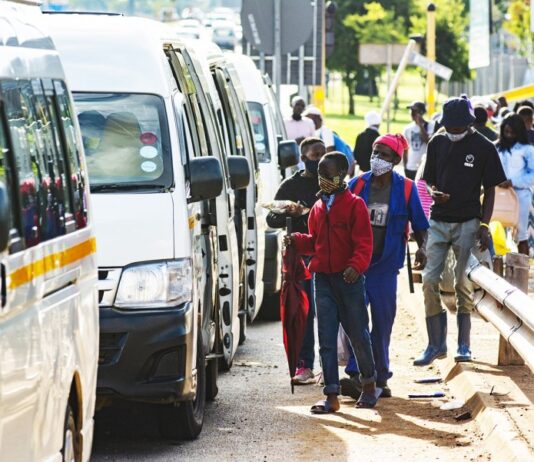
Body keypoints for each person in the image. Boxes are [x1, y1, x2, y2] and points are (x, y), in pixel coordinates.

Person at [416, 95, 506, 366]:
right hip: (439, 220)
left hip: (468, 221)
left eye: (458, 127)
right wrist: (434, 193)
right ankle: (435, 344)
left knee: (462, 283)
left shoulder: (484, 147)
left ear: (469, 123)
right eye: (450, 127)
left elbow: (490, 190)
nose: (453, 132)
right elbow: (428, 179)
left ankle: (464, 344)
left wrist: (483, 224)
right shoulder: (437, 142)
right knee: (430, 280)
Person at [284, 152, 377, 412]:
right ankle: (331, 395)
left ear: (341, 176)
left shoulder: (355, 205)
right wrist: (297, 241)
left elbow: (364, 244)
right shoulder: (317, 207)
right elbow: (315, 242)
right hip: (322, 279)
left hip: (349, 280)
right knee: (325, 338)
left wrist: (355, 267)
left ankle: (369, 384)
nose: (322, 179)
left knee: (358, 334)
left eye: (327, 175)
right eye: (320, 175)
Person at [340, 134, 429, 399]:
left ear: (396, 160)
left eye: (384, 155)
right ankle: (358, 375)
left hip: (385, 268)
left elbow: (421, 227)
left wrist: (422, 249)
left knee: (382, 323)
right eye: (375, 152)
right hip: (357, 265)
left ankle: (381, 376)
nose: (377, 159)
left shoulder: (406, 189)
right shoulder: (356, 185)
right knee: (356, 321)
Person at [266, 137, 326, 384]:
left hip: (328, 253)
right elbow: (272, 218)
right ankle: (304, 365)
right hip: (300, 258)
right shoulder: (290, 186)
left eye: (324, 155)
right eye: (315, 156)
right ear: (303, 159)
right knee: (304, 310)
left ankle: (330, 367)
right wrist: (290, 212)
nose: (320, 161)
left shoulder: (333, 183)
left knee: (328, 311)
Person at [495, 113, 534, 256]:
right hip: (498, 195)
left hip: (521, 195)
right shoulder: (496, 148)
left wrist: (513, 182)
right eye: (506, 132)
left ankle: (521, 270)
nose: (509, 135)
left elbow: (532, 175)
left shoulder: (527, 150)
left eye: (513, 132)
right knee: (494, 229)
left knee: (521, 234)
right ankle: (495, 267)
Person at [305, 106, 355, 176]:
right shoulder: (316, 132)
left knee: (335, 184)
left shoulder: (325, 132)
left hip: (335, 168)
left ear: (317, 119)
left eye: (308, 119)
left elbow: (330, 152)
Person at [404, 101, 435, 180]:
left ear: (421, 113)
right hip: (410, 168)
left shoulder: (430, 125)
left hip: (424, 167)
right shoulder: (408, 129)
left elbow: (428, 142)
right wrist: (405, 166)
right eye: (411, 111)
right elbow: (405, 149)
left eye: (414, 111)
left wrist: (420, 125)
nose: (411, 114)